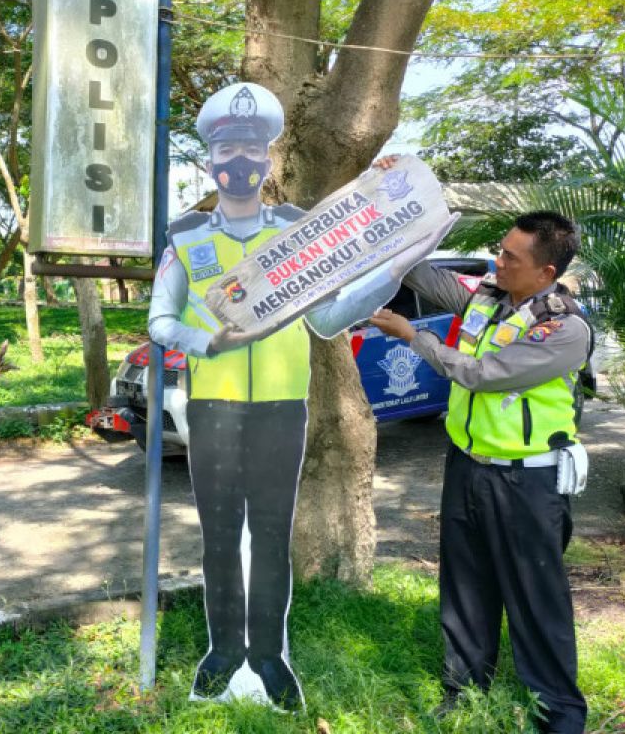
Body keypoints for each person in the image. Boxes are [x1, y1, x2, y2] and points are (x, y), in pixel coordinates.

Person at [148, 83, 447, 711]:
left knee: (273, 532)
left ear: (269, 160)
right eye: (228, 148)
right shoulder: (187, 238)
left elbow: (331, 315)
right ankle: (223, 651)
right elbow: (159, 322)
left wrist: (392, 271)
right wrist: (208, 344)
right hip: (213, 406)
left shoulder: (296, 232)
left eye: (253, 150)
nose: (241, 162)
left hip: (283, 406)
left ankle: (266, 655)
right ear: (210, 159)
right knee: (221, 534)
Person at [369, 208, 592, 734]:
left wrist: (412, 337)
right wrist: (384, 221)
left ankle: (558, 712)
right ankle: (464, 690)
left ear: (546, 273)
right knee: (466, 587)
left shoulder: (562, 328)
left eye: (510, 257)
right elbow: (419, 273)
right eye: (500, 249)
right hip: (467, 467)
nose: (498, 261)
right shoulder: (486, 296)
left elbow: (483, 375)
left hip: (527, 481)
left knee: (536, 599)